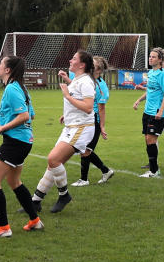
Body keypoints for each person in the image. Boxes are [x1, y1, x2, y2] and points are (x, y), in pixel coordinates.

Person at [0, 55, 42, 237]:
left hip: (15, 142)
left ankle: (3, 228)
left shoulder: (12, 89)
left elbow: (24, 116)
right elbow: (31, 115)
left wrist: (2, 127)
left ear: (7, 70)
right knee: (13, 181)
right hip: (23, 141)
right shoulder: (19, 87)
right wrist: (3, 113)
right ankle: (35, 220)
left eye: (1, 63)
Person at [30, 50, 95, 214]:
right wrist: (66, 115)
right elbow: (77, 102)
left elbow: (88, 108)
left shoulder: (86, 82)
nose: (70, 60)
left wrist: (67, 96)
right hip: (71, 126)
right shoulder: (76, 80)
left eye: (74, 58)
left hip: (82, 128)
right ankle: (36, 201)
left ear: (82, 65)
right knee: (53, 163)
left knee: (53, 159)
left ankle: (64, 195)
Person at [71, 56, 114, 186]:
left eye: (93, 64)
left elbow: (101, 109)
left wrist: (102, 126)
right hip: (83, 118)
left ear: (98, 69)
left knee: (85, 151)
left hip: (93, 120)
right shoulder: (87, 81)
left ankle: (84, 179)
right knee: (84, 150)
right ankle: (105, 171)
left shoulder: (101, 86)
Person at [132, 47, 164, 178]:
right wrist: (139, 100)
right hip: (147, 112)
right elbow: (150, 91)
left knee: (151, 139)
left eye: (153, 57)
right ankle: (154, 169)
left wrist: (160, 111)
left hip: (157, 113)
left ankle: (154, 171)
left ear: (160, 60)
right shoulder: (151, 73)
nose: (150, 58)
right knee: (147, 140)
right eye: (150, 56)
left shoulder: (163, 74)